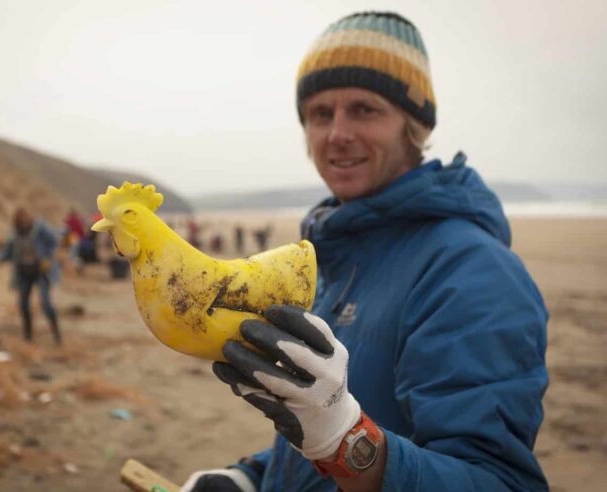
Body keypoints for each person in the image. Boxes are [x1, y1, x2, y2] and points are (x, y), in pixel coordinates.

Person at [182, 11, 548, 492]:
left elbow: (499, 482)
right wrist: (250, 478)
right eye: (319, 113)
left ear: (413, 126)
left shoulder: (473, 273)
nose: (337, 134)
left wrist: (347, 442)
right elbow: (317, 426)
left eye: (364, 109)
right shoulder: (336, 256)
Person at [0, 207, 62, 345]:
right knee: (23, 304)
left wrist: (48, 258)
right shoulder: (15, 235)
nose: (23, 223)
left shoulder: (40, 229)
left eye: (24, 220)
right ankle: (28, 335)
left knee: (46, 303)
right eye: (20, 221)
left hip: (41, 271)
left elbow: (54, 241)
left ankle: (57, 335)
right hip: (24, 273)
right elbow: (8, 251)